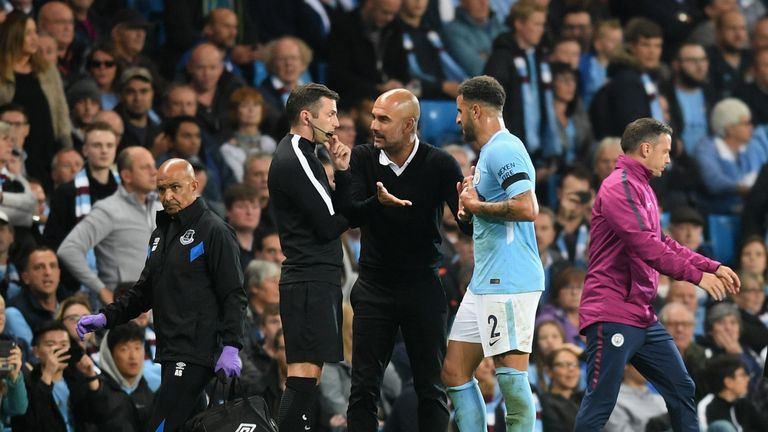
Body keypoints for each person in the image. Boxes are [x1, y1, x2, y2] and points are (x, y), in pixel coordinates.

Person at [573, 118, 741, 432]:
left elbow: (664, 242)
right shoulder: (619, 186)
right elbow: (646, 247)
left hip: (641, 314)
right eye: (664, 151)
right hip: (611, 311)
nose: (668, 158)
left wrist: (711, 266)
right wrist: (696, 277)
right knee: (601, 402)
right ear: (646, 148)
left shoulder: (643, 188)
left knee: (682, 387)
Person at [75, 158, 247, 432]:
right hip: (169, 351)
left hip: (195, 352)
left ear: (194, 185)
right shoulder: (160, 234)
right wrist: (104, 318)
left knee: (161, 426)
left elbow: (233, 294)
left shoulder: (215, 231)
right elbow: (144, 292)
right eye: (162, 190)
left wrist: (231, 345)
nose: (167, 196)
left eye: (175, 188)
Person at [344, 88, 468, 431]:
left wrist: (470, 208)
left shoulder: (440, 163)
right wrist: (377, 204)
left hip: (422, 286)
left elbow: (466, 227)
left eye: (384, 119)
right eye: (373, 117)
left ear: (410, 123)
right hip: (373, 286)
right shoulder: (362, 158)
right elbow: (351, 214)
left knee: (431, 386)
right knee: (363, 387)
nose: (374, 125)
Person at [441, 75, 543, 431]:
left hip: (509, 280)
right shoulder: (487, 154)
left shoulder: (505, 148)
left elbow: (527, 208)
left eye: (459, 112)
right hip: (486, 280)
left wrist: (477, 206)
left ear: (475, 110)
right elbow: (489, 211)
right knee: (454, 370)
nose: (456, 120)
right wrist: (468, 210)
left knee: (511, 382)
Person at [267, 83, 351, 430]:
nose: (337, 121)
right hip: (309, 279)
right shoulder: (297, 156)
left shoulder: (302, 155)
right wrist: (364, 197)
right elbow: (331, 225)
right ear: (306, 116)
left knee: (307, 377)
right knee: (302, 378)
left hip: (314, 278)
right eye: (330, 113)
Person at [57, 146, 162, 305]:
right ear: (126, 175)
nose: (154, 172)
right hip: (124, 310)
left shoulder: (161, 208)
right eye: (145, 167)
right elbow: (68, 249)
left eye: (153, 166)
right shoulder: (108, 210)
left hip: (160, 309)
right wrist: (100, 289)